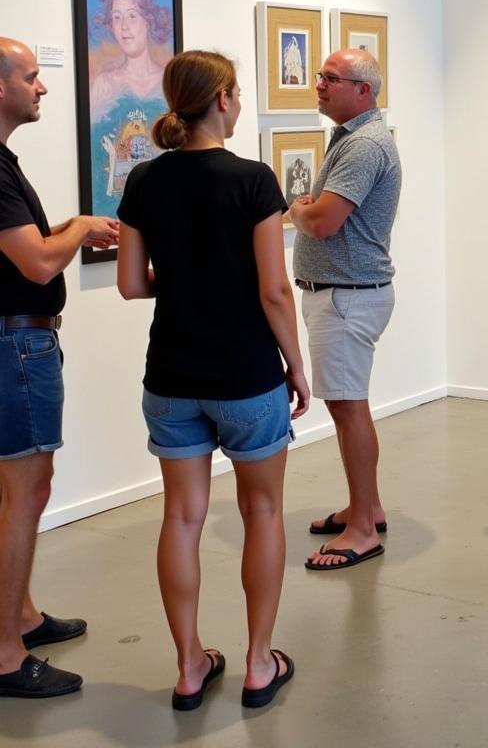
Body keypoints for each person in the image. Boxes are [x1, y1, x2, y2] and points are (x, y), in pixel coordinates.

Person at [117, 50, 309, 709]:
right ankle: (258, 663)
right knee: (262, 512)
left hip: (169, 374)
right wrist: (298, 365)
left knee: (181, 517)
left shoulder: (143, 181)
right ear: (223, 99)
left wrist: (186, 280)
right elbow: (275, 291)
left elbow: (129, 285)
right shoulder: (252, 180)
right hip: (246, 375)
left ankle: (190, 667)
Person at [0, 37, 118, 699]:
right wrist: (79, 227)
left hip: (19, 345)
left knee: (25, 489)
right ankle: (6, 653)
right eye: (31, 76)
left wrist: (72, 228)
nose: (41, 87)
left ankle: (19, 615)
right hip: (16, 347)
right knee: (22, 494)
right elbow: (38, 262)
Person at [292, 49, 401, 571]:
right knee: (348, 404)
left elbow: (323, 222)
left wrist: (296, 208)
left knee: (347, 405)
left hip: (345, 295)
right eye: (320, 76)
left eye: (331, 79)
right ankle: (367, 506)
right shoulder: (354, 138)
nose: (319, 85)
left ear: (364, 90)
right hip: (345, 292)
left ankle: (362, 530)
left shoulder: (363, 146)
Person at [89, 0, 175, 214]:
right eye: (117, 17)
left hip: (165, 205)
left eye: (132, 16)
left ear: (149, 21)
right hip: (113, 206)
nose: (124, 26)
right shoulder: (103, 84)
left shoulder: (169, 84)